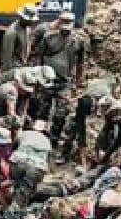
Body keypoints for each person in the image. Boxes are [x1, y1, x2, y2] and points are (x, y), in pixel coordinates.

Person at [30, 11, 88, 150]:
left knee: (61, 114)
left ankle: (53, 141)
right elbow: (39, 57)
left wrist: (79, 81)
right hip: (47, 81)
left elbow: (81, 63)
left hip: (64, 82)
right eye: (64, 22)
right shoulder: (48, 38)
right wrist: (39, 77)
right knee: (42, 111)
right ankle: (38, 139)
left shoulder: (78, 41)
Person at [59, 75, 116, 164]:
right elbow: (81, 125)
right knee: (75, 127)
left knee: (79, 128)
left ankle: (102, 156)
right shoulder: (103, 92)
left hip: (87, 101)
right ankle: (66, 154)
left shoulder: (99, 87)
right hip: (86, 102)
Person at [6, 127, 52, 217]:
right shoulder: (47, 141)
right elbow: (48, 162)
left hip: (18, 161)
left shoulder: (25, 133)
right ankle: (14, 211)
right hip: (37, 167)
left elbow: (13, 146)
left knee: (17, 183)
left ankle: (14, 203)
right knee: (26, 189)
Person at [0, 4, 39, 71]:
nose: (32, 21)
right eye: (29, 20)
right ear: (22, 17)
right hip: (14, 68)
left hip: (21, 66)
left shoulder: (26, 28)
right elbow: (7, 57)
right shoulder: (12, 32)